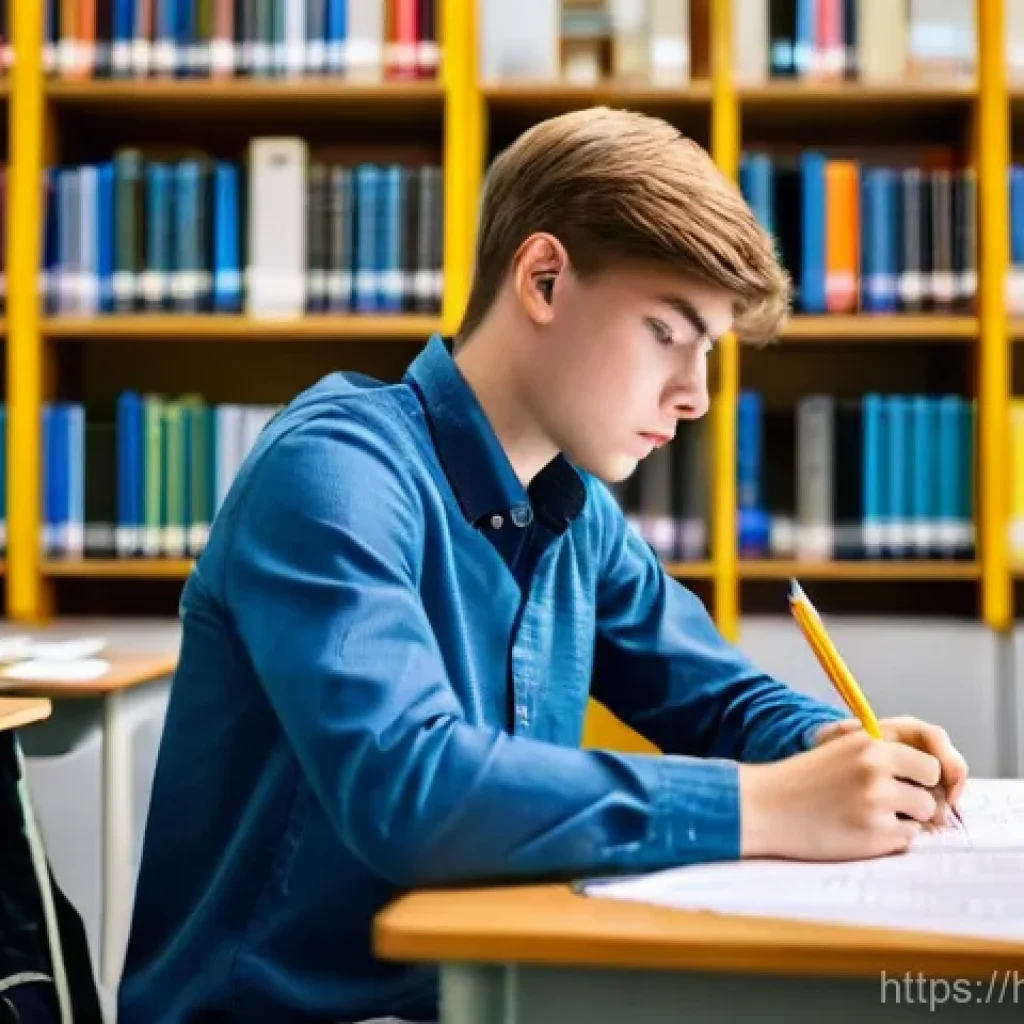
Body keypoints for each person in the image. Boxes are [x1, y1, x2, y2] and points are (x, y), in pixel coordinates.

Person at [117, 107, 968, 1024]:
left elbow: (719, 699)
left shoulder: (578, 517)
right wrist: (767, 806)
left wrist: (829, 746)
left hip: (485, 995)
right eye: (666, 332)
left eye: (710, 351)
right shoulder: (332, 470)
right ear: (545, 279)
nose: (695, 397)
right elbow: (412, 785)